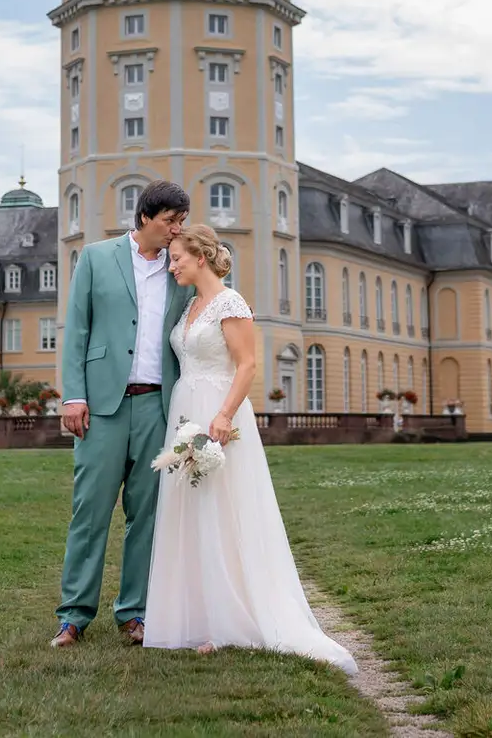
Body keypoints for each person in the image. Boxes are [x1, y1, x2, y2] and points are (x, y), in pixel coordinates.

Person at [143, 224, 357, 673]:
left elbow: (247, 365)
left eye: (178, 257)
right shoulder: (188, 310)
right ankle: (194, 618)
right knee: (190, 508)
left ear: (200, 257)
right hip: (186, 410)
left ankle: (229, 622)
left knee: (224, 508)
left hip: (220, 411)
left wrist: (223, 415)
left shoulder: (230, 302)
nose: (172, 264)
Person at [52, 180, 194, 647]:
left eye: (181, 222)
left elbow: (207, 304)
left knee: (147, 514)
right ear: (145, 218)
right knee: (90, 512)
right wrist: (74, 395)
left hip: (158, 404)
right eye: (171, 221)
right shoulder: (95, 257)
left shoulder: (180, 267)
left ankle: (134, 614)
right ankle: (73, 616)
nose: (177, 230)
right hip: (102, 406)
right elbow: (77, 329)